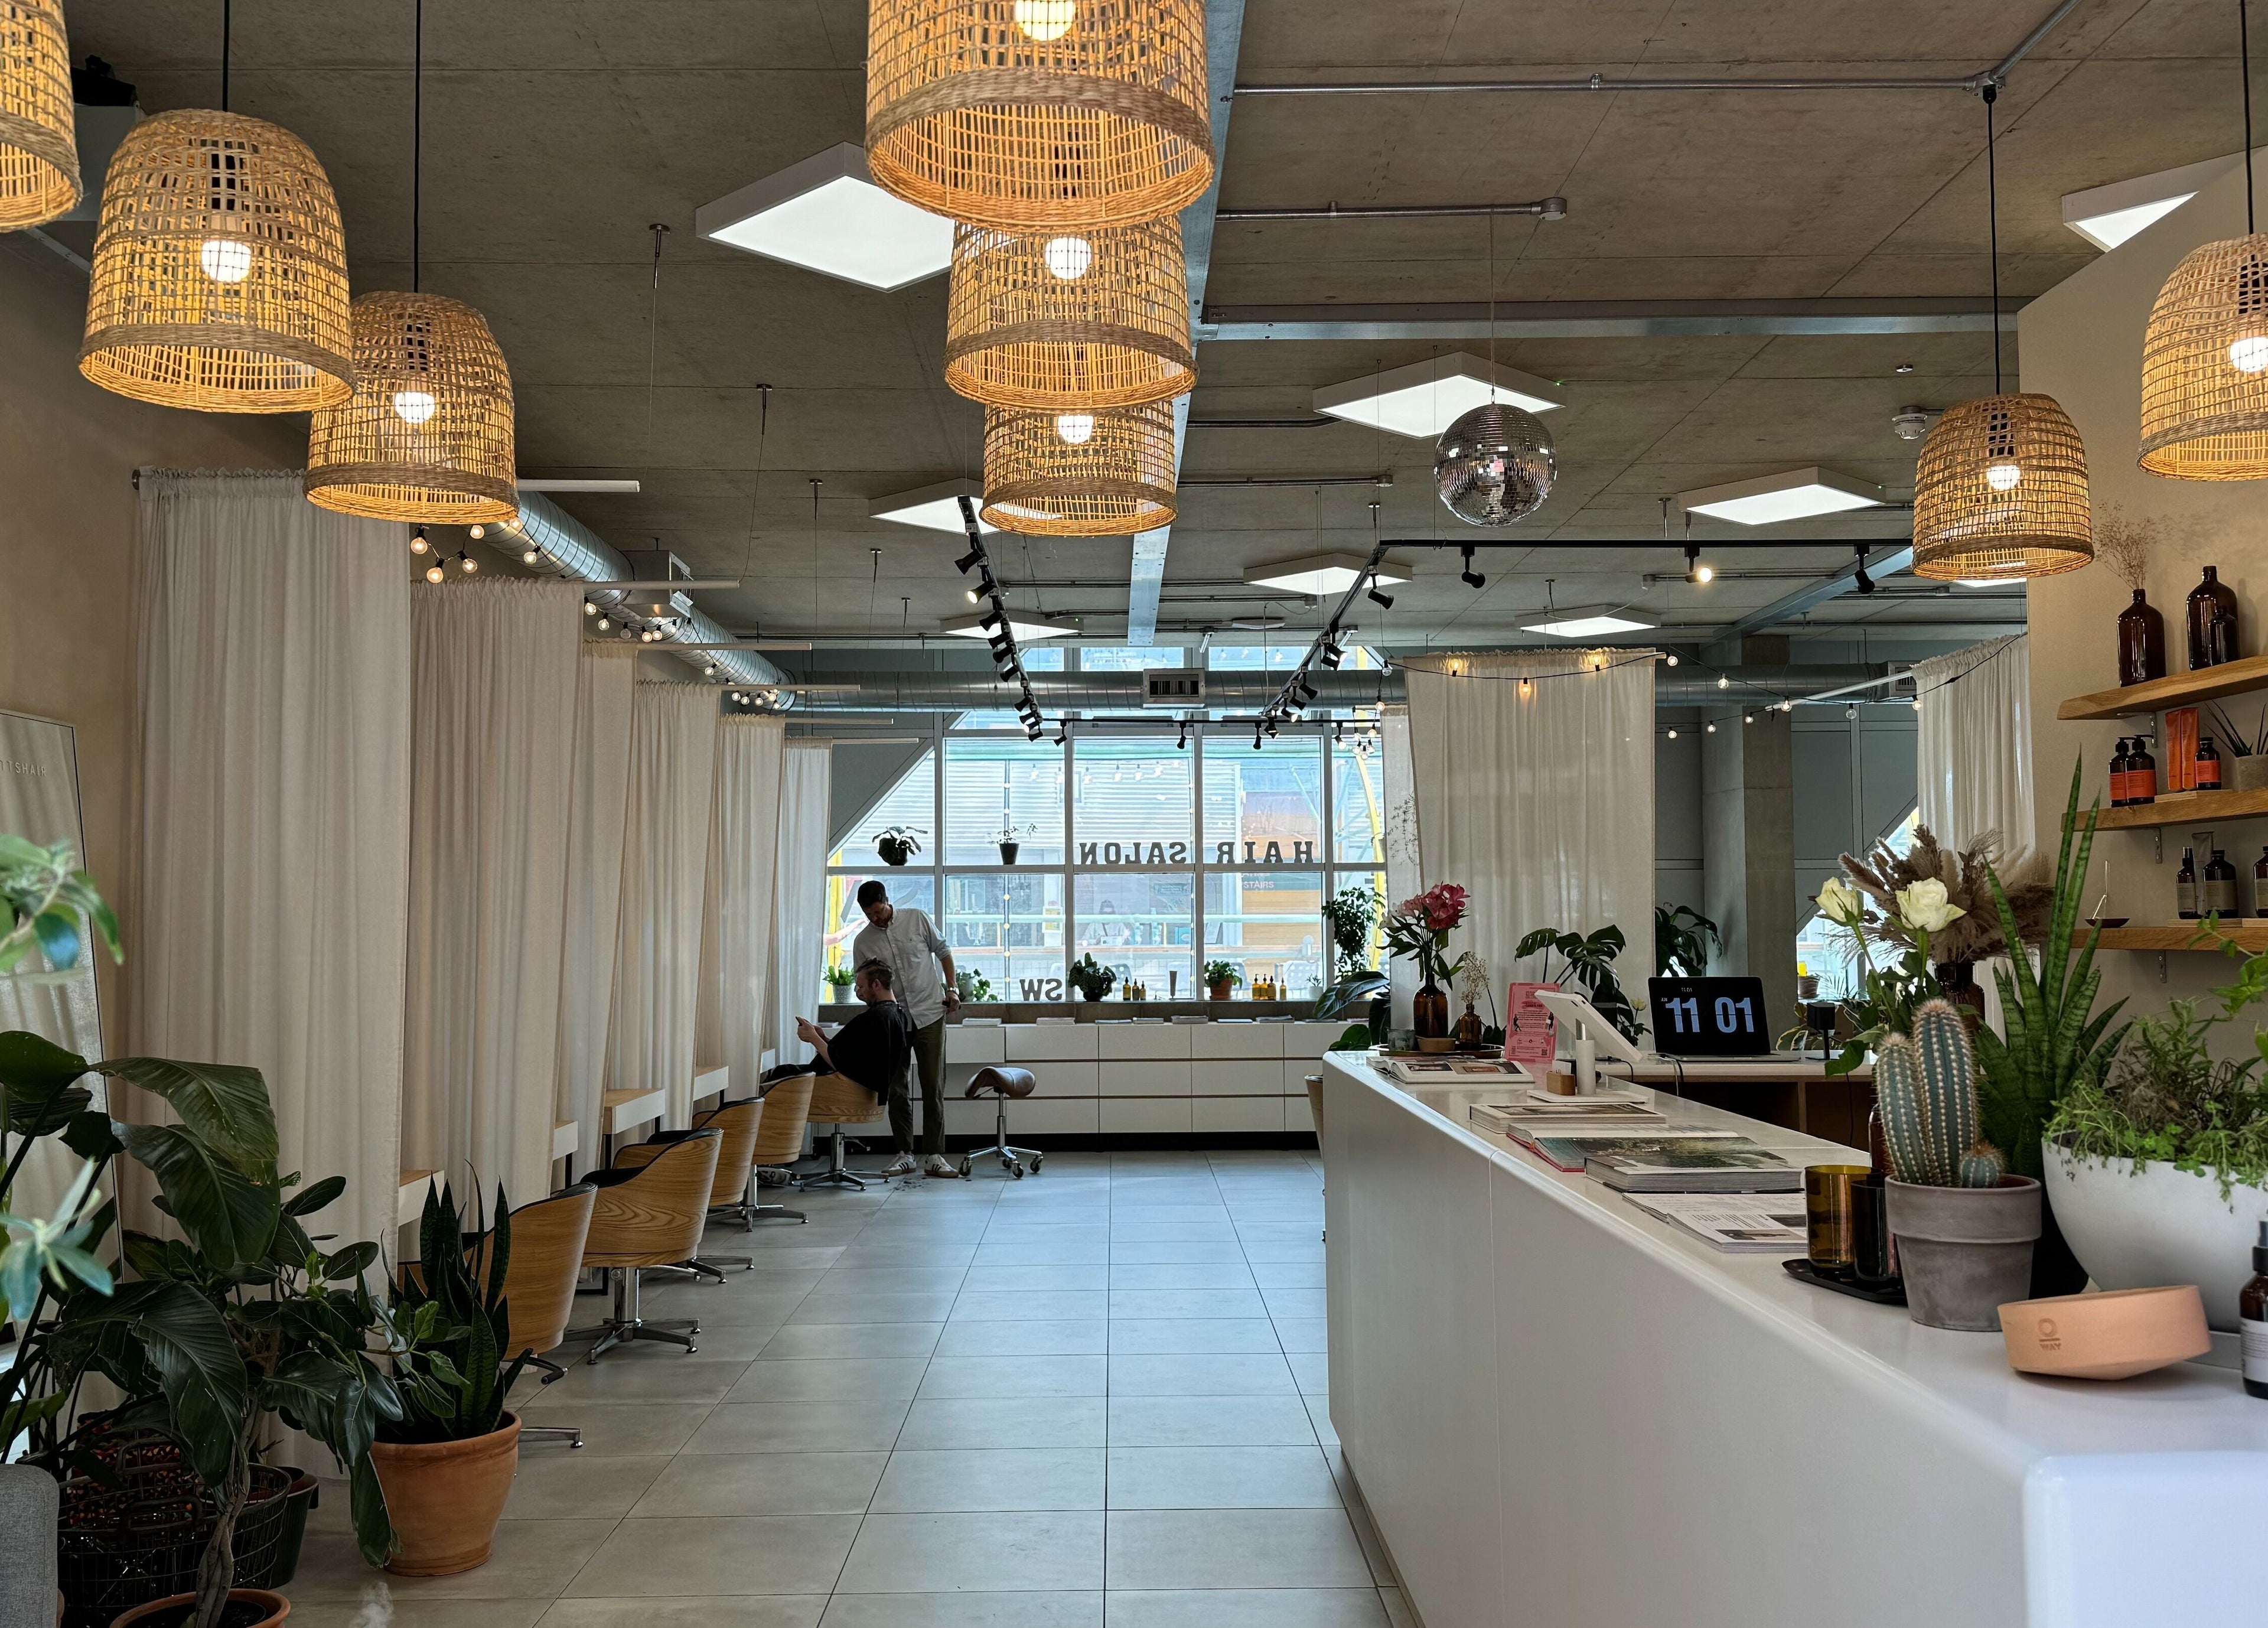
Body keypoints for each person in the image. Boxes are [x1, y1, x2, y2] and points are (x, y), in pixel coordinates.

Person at [850, 878, 960, 1177]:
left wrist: (953, 989)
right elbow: (863, 987)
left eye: (878, 911)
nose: (875, 918)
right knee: (897, 1088)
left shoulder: (917, 919)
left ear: (887, 900)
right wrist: (868, 999)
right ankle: (905, 1153)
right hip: (893, 1021)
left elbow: (944, 952)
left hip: (930, 1014)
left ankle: (935, 1155)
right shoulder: (862, 942)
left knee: (933, 1086)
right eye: (869, 914)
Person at [790, 960, 914, 1156]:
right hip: (857, 1088)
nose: (859, 992)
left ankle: (769, 1159)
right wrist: (824, 1038)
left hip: (839, 1089)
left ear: (876, 985)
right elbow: (857, 1057)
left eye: (862, 986)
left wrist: (814, 1040)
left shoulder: (875, 1018)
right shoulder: (897, 1016)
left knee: (775, 1080)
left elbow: (845, 1065)